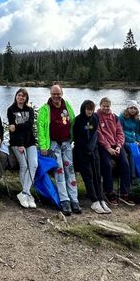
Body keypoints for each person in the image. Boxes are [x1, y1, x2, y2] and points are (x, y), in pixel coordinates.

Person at [37, 83, 80, 215]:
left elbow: (72, 121)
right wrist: (44, 146)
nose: (56, 96)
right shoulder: (45, 109)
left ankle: (74, 199)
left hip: (66, 143)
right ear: (50, 94)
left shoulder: (66, 106)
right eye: (54, 94)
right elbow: (41, 129)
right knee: (59, 171)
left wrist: (73, 138)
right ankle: (64, 200)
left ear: (62, 93)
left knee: (70, 170)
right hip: (54, 144)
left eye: (58, 93)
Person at [73, 100, 110, 214]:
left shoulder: (95, 118)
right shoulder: (78, 120)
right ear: (84, 109)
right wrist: (86, 149)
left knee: (97, 175)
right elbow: (77, 137)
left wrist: (91, 148)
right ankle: (94, 200)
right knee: (88, 175)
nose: (89, 111)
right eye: (88, 109)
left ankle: (101, 198)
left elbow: (95, 134)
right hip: (82, 152)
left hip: (93, 150)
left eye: (91, 109)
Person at [96, 97, 134, 206]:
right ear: (100, 105)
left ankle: (124, 192)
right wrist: (108, 148)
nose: (106, 108)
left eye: (108, 106)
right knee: (107, 165)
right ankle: (109, 191)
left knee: (125, 164)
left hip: (116, 145)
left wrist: (118, 146)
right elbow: (99, 134)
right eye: (104, 106)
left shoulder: (114, 117)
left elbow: (120, 133)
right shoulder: (96, 116)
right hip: (104, 146)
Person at [7, 88, 38, 209]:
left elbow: (29, 125)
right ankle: (27, 194)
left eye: (23, 96)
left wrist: (16, 125)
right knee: (24, 166)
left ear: (26, 98)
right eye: (19, 95)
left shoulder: (30, 110)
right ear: (16, 96)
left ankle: (25, 193)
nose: (21, 98)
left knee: (34, 165)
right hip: (16, 143)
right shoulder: (11, 110)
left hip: (30, 141)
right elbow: (12, 130)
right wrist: (20, 143)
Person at [118, 100, 140, 182]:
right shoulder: (121, 117)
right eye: (131, 108)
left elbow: (138, 132)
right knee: (133, 151)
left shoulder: (136, 118)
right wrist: (131, 141)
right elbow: (119, 131)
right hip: (123, 140)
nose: (133, 110)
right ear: (127, 108)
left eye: (135, 108)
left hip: (132, 141)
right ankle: (132, 176)